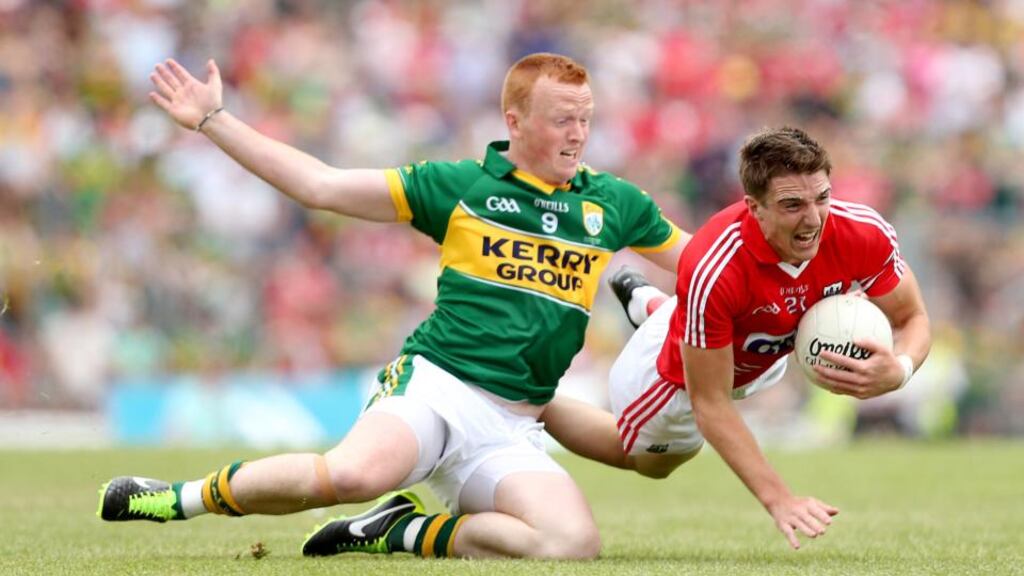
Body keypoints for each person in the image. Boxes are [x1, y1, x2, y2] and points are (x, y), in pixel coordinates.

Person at [96, 53, 690, 560]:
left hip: (514, 423)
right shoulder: (460, 186)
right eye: (563, 120)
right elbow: (320, 186)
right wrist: (212, 120)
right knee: (352, 475)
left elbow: (704, 262)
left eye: (585, 119)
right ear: (515, 120)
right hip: (439, 386)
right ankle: (177, 498)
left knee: (570, 543)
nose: (579, 134)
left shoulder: (614, 202)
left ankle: (399, 530)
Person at [540, 126, 932, 550]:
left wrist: (901, 369)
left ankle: (655, 306)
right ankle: (532, 400)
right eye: (792, 205)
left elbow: (912, 317)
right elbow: (710, 402)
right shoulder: (715, 266)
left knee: (738, 329)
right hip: (675, 379)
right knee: (648, 461)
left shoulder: (862, 232)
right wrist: (778, 498)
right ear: (754, 207)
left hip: (764, 351)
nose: (814, 218)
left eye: (822, 197)